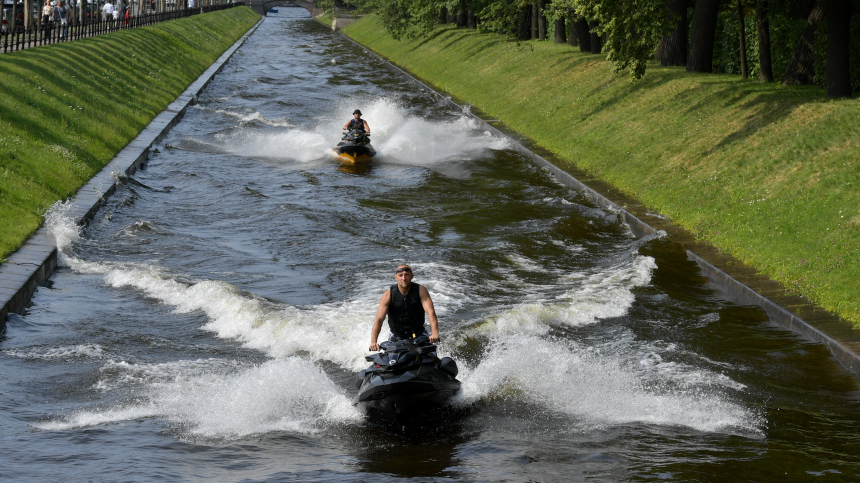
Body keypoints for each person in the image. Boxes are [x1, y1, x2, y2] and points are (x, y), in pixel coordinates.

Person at [369, 264, 440, 351]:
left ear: (412, 276)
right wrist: (373, 342)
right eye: (400, 275)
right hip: (396, 336)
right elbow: (379, 319)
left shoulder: (421, 290)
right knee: (392, 362)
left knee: (432, 358)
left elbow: (431, 312)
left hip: (419, 333)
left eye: (407, 275)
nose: (404, 278)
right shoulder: (388, 295)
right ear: (396, 277)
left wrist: (434, 333)